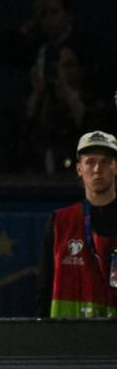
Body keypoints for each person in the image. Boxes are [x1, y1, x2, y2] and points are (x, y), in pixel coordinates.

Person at [37, 130, 117, 317]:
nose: (97, 169)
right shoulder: (60, 222)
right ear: (79, 168)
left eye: (105, 162)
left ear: (115, 167)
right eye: (90, 162)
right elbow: (44, 286)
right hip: (68, 339)